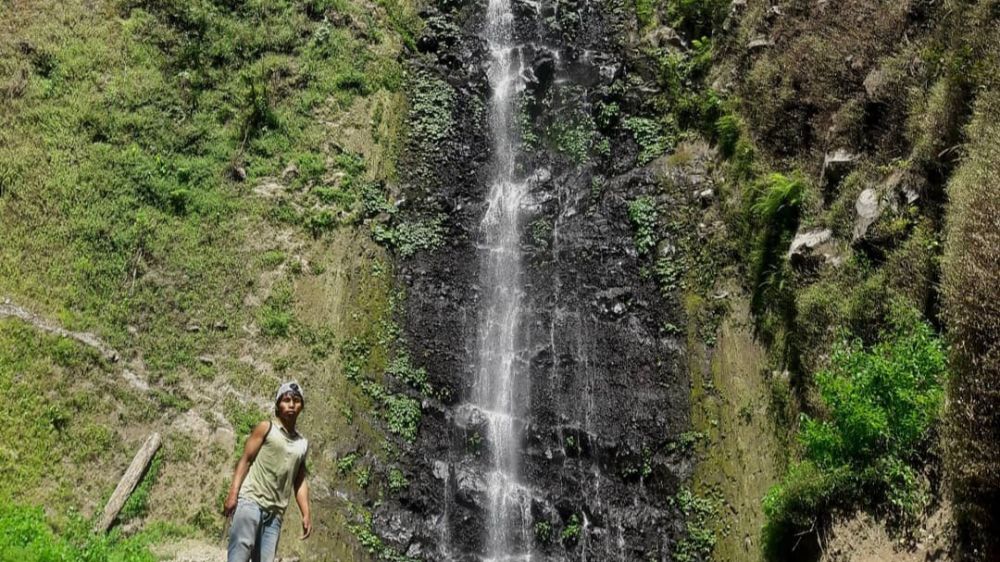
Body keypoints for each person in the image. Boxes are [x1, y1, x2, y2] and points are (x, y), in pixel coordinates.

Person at [223, 381, 312, 562]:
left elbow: (299, 481)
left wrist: (306, 513)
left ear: (301, 406)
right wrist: (233, 494)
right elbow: (246, 460)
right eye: (286, 400)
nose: (291, 405)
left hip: (275, 514)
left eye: (296, 401)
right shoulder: (266, 428)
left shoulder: (302, 444)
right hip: (251, 501)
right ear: (278, 405)